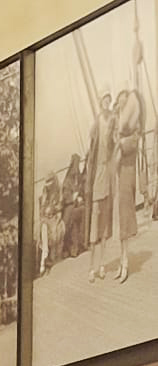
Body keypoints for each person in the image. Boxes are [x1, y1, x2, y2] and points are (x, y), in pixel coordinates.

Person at [86, 89, 117, 283]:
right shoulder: (96, 122)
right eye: (104, 99)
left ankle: (102, 264)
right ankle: (91, 267)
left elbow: (115, 142)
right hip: (97, 174)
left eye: (109, 99)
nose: (107, 102)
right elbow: (91, 149)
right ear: (100, 102)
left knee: (105, 223)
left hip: (108, 174)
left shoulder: (113, 120)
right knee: (94, 223)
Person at [114, 87, 143, 284]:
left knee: (124, 220)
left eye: (124, 102)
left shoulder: (133, 132)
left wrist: (119, 142)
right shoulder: (122, 130)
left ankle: (125, 262)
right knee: (121, 221)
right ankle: (122, 259)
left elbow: (128, 145)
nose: (121, 105)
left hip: (127, 176)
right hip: (120, 177)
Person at [61, 153, 85, 259]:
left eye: (78, 165)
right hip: (68, 206)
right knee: (72, 217)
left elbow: (81, 190)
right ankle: (72, 249)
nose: (76, 168)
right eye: (75, 165)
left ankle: (81, 244)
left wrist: (80, 197)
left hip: (77, 205)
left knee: (83, 211)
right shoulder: (67, 181)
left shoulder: (78, 178)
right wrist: (73, 197)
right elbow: (65, 198)